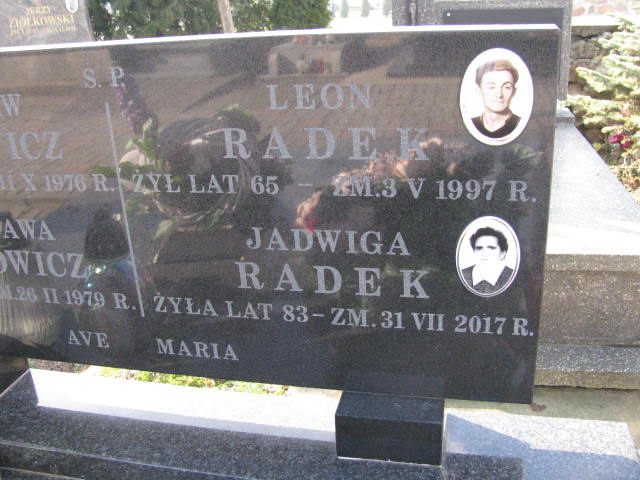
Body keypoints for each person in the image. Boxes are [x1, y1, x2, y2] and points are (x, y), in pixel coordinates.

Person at [471, 59, 520, 139]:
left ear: (514, 92)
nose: (499, 94)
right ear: (479, 91)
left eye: (507, 87)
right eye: (491, 87)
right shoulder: (472, 124)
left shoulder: (519, 124)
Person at [461, 226, 514, 295]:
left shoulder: (511, 276)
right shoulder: (463, 274)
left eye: (491, 248)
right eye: (479, 248)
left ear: (502, 254)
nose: (484, 253)